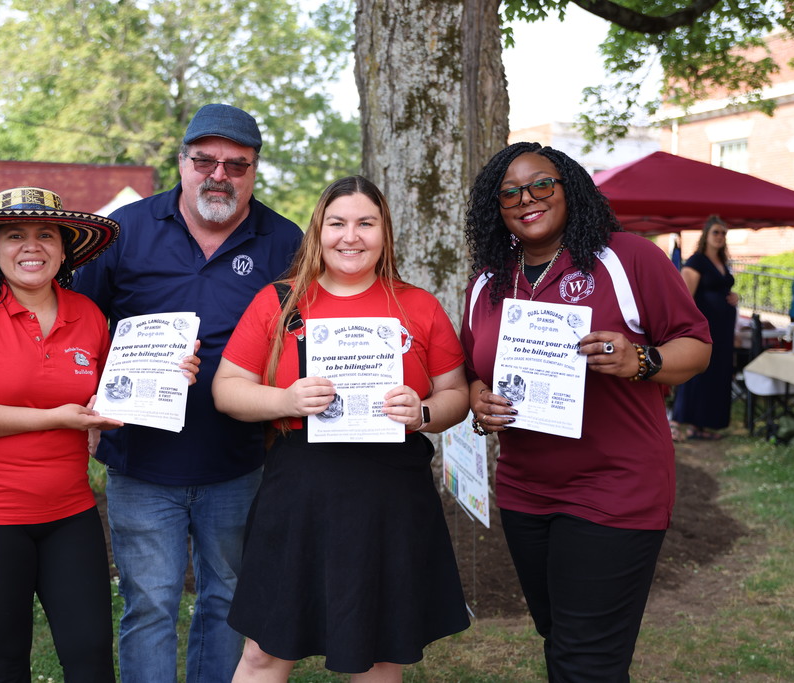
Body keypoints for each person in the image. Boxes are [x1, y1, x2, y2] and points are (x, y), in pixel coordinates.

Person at [461, 142, 711, 683]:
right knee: (563, 637)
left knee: (585, 657)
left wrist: (640, 359)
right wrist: (480, 401)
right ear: (495, 207)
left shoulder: (628, 257)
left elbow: (696, 345)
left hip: (615, 486)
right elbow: (472, 368)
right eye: (510, 192)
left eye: (541, 184)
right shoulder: (487, 281)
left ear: (569, 187)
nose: (527, 198)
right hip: (526, 490)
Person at [0, 187, 193, 681]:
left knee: (91, 656)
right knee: (3, 657)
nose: (32, 246)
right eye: (15, 235)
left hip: (70, 514)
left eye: (46, 234)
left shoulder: (88, 314)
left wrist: (170, 375)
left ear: (65, 248)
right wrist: (54, 418)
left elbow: (112, 397)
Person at [74, 104, 303, 683]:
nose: (219, 175)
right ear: (181, 162)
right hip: (141, 461)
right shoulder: (124, 231)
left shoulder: (285, 241)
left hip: (239, 460)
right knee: (149, 605)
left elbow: (301, 338)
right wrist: (93, 400)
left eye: (236, 164)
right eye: (204, 161)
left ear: (254, 170)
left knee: (226, 601)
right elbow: (83, 325)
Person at [212, 175, 470, 681]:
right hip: (301, 488)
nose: (350, 237)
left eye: (365, 223)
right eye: (337, 223)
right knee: (265, 649)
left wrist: (422, 412)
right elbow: (226, 389)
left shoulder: (417, 306)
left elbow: (456, 396)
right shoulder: (280, 302)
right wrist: (284, 398)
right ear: (318, 231)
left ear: (384, 233)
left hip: (389, 493)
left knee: (377, 650)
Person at [671, 216, 739, 441]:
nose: (720, 237)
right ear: (706, 235)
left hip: (723, 329)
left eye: (723, 233)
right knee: (697, 372)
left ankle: (701, 425)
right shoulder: (696, 262)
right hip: (704, 327)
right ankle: (679, 421)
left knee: (717, 374)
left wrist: (733, 297)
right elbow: (684, 297)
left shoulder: (722, 262)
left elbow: (721, 290)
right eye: (716, 232)